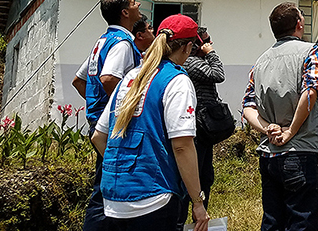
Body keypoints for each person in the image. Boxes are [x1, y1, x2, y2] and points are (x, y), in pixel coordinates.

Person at [91, 14, 210, 231]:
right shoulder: (177, 81)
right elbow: (182, 146)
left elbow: (99, 136)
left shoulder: (131, 77)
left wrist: (125, 168)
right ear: (188, 47)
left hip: (112, 198)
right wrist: (198, 201)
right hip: (153, 198)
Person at [242, 2, 318, 231]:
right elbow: (310, 91)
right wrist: (290, 130)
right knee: (301, 222)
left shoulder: (260, 62)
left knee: (272, 221)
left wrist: (268, 128)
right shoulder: (310, 50)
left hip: (269, 156)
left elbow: (247, 107)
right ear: (299, 24)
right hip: (302, 152)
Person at [72, 0, 144, 231]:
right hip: (114, 127)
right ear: (125, 12)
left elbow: (79, 81)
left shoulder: (102, 41)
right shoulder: (123, 43)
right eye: (135, 3)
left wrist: (98, 108)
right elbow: (108, 78)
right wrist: (123, 110)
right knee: (106, 185)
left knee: (104, 181)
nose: (139, 5)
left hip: (98, 123)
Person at [182, 27, 225, 209]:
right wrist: (211, 54)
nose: (209, 44)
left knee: (206, 175)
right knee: (196, 173)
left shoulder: (197, 62)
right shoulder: (191, 62)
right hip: (197, 127)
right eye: (206, 41)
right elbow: (218, 75)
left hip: (204, 128)